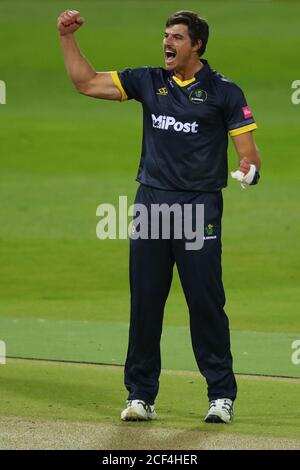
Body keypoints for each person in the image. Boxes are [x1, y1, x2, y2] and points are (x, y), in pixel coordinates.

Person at [58, 9, 261, 424]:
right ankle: (140, 395)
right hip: (151, 205)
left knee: (205, 303)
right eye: (166, 35)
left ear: (197, 44)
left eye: (177, 37)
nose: (167, 43)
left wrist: (249, 172)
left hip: (198, 208)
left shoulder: (225, 93)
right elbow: (85, 82)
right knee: (146, 302)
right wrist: (66, 37)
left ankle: (221, 394)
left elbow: (250, 157)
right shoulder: (149, 81)